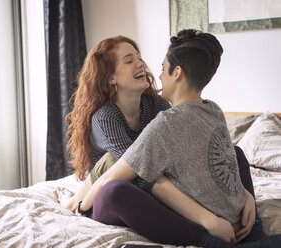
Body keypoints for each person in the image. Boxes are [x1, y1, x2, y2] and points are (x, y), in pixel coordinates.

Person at [74, 30, 281, 247]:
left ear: (177, 73)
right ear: (111, 77)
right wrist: (78, 205)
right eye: (129, 60)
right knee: (117, 186)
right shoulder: (111, 117)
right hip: (114, 182)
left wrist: (246, 195)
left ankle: (251, 229)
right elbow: (129, 174)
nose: (144, 66)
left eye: (162, 68)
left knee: (236, 152)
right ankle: (218, 240)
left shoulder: (165, 110)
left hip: (147, 180)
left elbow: (199, 152)